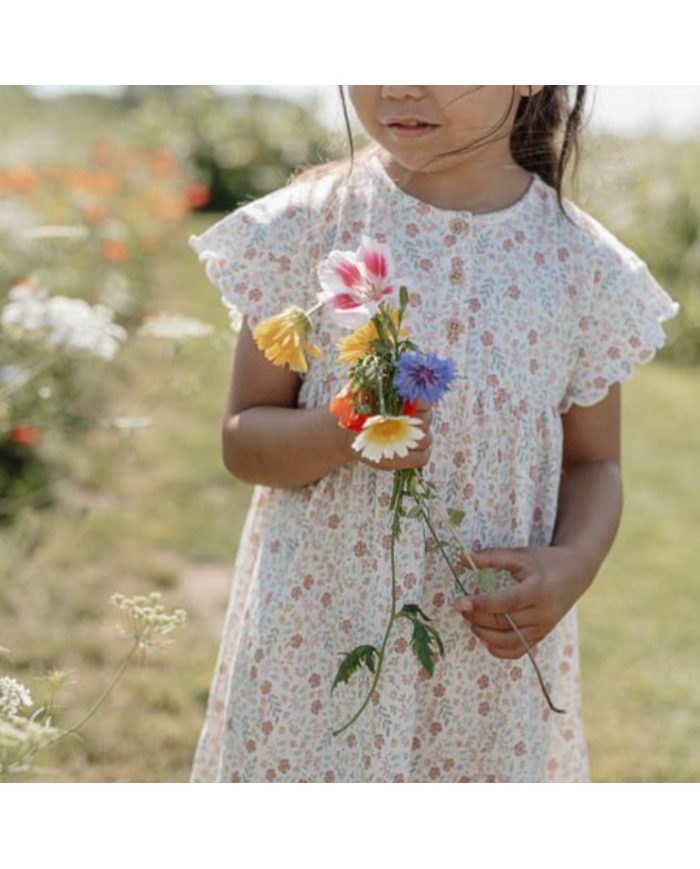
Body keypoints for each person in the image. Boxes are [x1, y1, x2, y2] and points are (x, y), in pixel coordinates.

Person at [187, 86, 681, 783]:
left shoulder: (585, 269)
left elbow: (594, 463)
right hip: (317, 640)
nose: (400, 85)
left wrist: (573, 563)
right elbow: (245, 439)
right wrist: (345, 428)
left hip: (483, 659)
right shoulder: (306, 228)